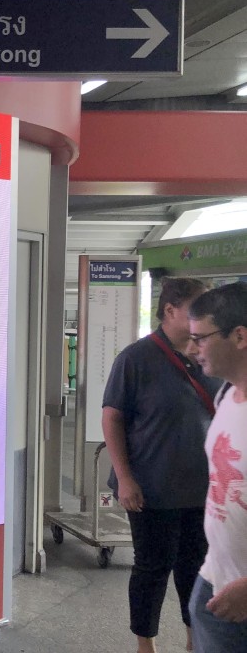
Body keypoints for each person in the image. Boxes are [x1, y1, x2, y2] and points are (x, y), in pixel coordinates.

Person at [101, 277, 218, 653]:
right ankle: (145, 642)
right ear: (169, 311)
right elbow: (112, 418)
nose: (207, 317)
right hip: (151, 488)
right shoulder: (136, 359)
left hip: (202, 490)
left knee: (195, 569)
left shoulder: (210, 356)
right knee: (153, 568)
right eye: (197, 308)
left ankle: (192, 636)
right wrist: (125, 478)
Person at [185, 282, 247, 651]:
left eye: (201, 338)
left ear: (239, 336)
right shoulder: (226, 393)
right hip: (216, 579)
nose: (192, 349)